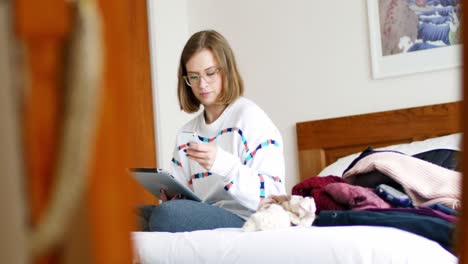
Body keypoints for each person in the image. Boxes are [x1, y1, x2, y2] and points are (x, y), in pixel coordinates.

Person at [140, 29, 286, 232]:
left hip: (244, 218)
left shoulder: (251, 119)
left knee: (166, 216)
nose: (202, 84)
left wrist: (224, 165)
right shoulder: (186, 133)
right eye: (194, 77)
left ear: (226, 70)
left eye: (210, 73)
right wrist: (174, 198)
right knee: (129, 216)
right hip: (203, 213)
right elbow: (187, 199)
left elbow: (274, 197)